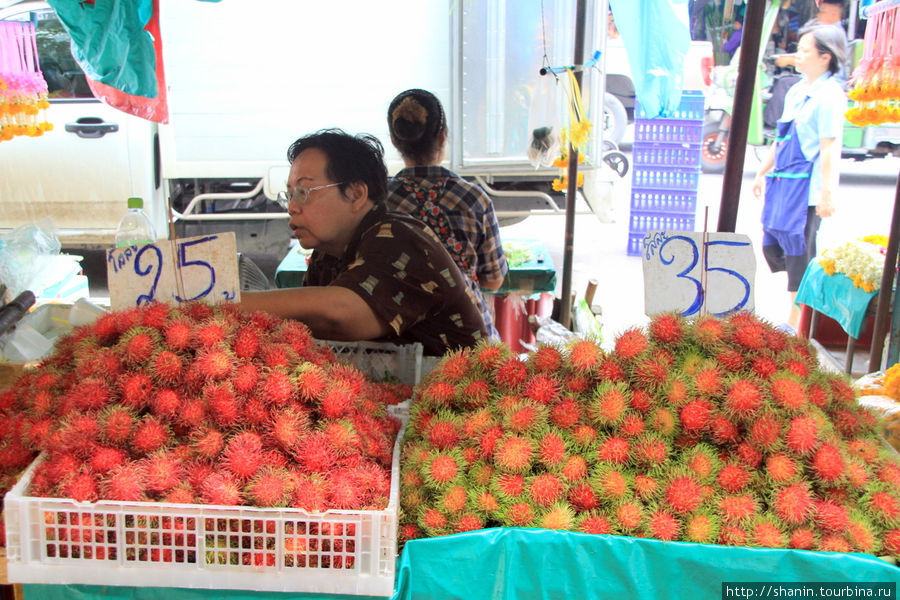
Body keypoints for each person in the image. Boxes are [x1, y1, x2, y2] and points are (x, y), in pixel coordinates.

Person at [240, 128, 488, 355]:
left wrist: (229, 302)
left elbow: (338, 316)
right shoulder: (327, 254)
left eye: (304, 192)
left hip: (461, 394)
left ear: (356, 194)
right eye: (290, 195)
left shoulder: (400, 239)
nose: (292, 207)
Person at [385, 89, 508, 340]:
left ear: (395, 141)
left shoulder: (379, 201)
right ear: (443, 137)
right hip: (468, 337)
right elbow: (493, 281)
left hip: (401, 338)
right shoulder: (475, 199)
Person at [752, 25, 847, 330]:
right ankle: (799, 314)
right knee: (772, 245)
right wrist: (762, 171)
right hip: (783, 183)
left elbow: (829, 146)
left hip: (806, 190)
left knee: (799, 255)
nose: (799, 54)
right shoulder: (796, 89)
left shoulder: (830, 95)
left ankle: (798, 322)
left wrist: (828, 193)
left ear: (825, 56)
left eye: (806, 50)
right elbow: (780, 140)